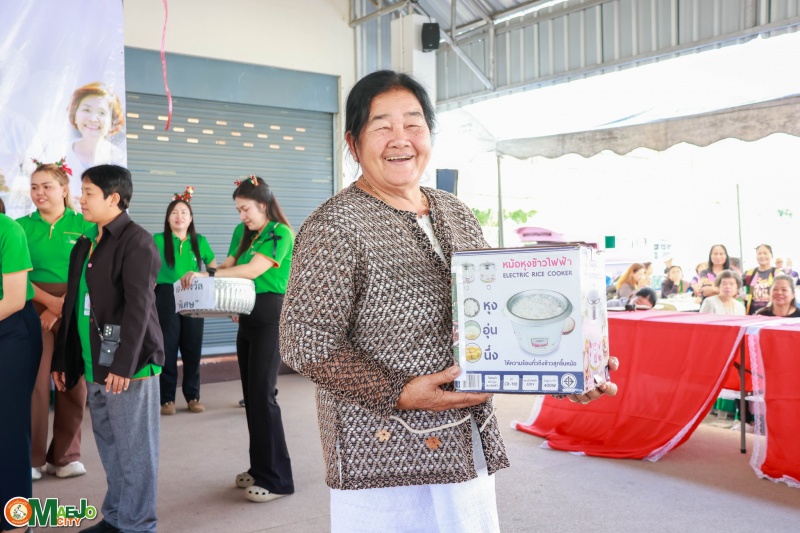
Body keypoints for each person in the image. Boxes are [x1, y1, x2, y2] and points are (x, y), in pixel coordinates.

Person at [279, 70, 619, 532]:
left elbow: (495, 314)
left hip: (465, 437)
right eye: (382, 126)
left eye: (413, 123)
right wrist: (399, 393)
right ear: (353, 143)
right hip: (382, 451)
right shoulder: (335, 225)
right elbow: (304, 341)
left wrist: (565, 371)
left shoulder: (454, 211)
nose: (401, 139)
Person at [53, 164, 164, 533]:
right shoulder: (86, 243)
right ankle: (117, 517)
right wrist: (64, 358)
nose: (80, 199)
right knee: (112, 448)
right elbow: (73, 305)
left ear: (113, 198)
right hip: (95, 364)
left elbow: (138, 308)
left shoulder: (137, 241)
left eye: (88, 193)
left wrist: (123, 365)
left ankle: (139, 525)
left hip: (128, 367)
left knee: (136, 451)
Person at [181, 175, 295, 503]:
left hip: (271, 316)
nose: (242, 216)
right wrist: (206, 276)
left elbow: (252, 271)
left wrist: (209, 275)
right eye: (238, 210)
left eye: (246, 209)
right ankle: (260, 468)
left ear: (263, 205)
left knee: (263, 396)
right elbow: (229, 265)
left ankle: (278, 479)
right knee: (251, 396)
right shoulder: (242, 232)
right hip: (246, 314)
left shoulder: (280, 233)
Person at [17, 159, 94, 482]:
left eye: (47, 186)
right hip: (31, 305)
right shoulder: (20, 226)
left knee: (73, 381)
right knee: (33, 383)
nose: (39, 193)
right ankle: (31, 457)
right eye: (34, 187)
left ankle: (65, 456)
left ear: (64, 190)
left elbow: (92, 270)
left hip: (74, 307)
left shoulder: (85, 223)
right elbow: (14, 274)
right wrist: (49, 304)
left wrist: (61, 307)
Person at [153, 187, 216, 415]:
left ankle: (193, 396)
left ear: (190, 218)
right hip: (166, 296)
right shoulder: (157, 240)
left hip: (194, 297)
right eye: (174, 213)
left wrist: (202, 275)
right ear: (168, 218)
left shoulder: (200, 241)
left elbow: (213, 268)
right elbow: (146, 267)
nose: (179, 216)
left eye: (184, 213)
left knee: (192, 347)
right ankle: (166, 399)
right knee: (167, 348)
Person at [0, 213, 42, 533]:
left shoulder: (9, 230)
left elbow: (13, 299)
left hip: (11, 332)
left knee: (9, 427)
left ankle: (15, 521)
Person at [63, 82, 126, 206]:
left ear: (112, 121)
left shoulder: (118, 159)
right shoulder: (58, 153)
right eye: (86, 110)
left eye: (102, 113)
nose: (93, 119)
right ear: (74, 114)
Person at [743, 244, 776, 315]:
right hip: (752, 314)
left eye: (765, 253)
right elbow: (739, 286)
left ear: (771, 255)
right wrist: (742, 296)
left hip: (772, 314)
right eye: (759, 253)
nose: (762, 256)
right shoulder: (749, 273)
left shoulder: (778, 274)